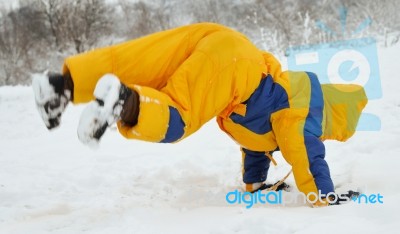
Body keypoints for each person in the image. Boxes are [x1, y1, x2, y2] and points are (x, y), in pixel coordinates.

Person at [32, 23, 368, 207]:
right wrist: (323, 195)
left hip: (220, 38)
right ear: (334, 119)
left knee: (144, 62)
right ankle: (125, 101)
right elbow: (305, 155)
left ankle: (62, 85)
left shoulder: (278, 110)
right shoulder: (302, 114)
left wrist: (254, 185)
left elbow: (253, 144)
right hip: (234, 65)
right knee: (178, 116)